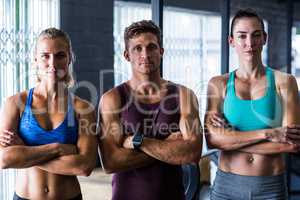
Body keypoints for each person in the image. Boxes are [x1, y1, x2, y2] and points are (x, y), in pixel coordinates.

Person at [98, 20, 202, 200]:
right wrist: (169, 146)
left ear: (161, 52)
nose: (145, 54)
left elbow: (192, 153)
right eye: (137, 48)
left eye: (151, 47)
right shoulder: (112, 99)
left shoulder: (183, 95)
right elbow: (111, 162)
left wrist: (140, 142)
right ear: (126, 55)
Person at [205, 8, 300, 200]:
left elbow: (293, 144)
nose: (250, 43)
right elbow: (212, 141)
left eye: (256, 35)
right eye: (242, 36)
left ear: (264, 38)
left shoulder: (285, 82)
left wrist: (231, 140)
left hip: (270, 187)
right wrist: (269, 134)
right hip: (226, 187)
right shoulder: (218, 84)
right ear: (231, 41)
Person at [0, 28, 98, 200]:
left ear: (69, 59)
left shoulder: (83, 108)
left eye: (60, 55)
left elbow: (84, 166)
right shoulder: (15, 104)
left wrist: (25, 152)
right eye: (45, 55)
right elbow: (5, 159)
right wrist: (58, 148)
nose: (52, 64)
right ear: (35, 59)